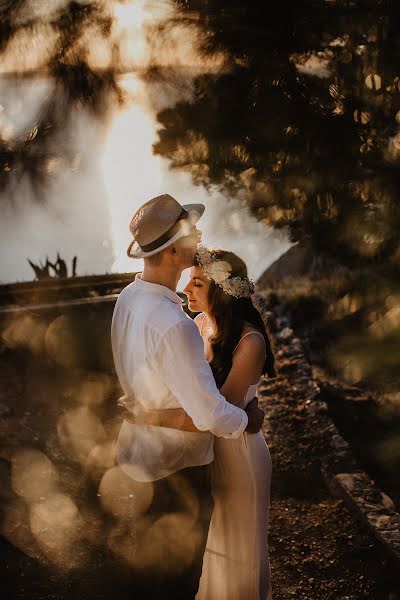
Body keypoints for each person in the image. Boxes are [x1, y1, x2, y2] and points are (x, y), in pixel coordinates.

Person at [111, 194, 265, 599]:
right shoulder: (175, 326)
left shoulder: (127, 300)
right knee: (176, 586)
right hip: (176, 473)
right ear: (174, 249)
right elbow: (212, 416)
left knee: (146, 582)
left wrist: (144, 416)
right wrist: (248, 420)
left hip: (138, 461)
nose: (198, 234)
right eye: (189, 230)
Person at [137, 246, 275, 600]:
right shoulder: (197, 325)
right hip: (206, 451)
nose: (186, 289)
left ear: (223, 291)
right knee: (211, 546)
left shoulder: (251, 341)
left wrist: (150, 416)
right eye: (188, 280)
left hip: (240, 456)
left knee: (239, 547)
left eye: (197, 283)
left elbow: (218, 416)